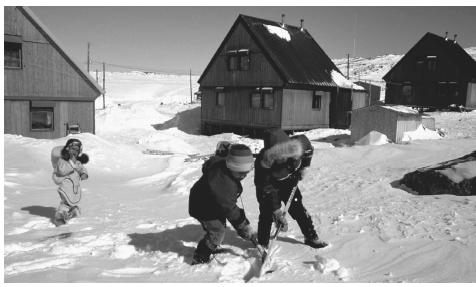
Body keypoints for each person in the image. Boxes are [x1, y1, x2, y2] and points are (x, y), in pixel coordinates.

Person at [254, 128, 328, 249]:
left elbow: (308, 150)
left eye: (284, 155)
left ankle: (311, 237)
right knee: (266, 213)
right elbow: (265, 188)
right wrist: (277, 211)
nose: (282, 159)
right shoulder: (263, 164)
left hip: (289, 181)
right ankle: (263, 243)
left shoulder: (299, 144)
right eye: (277, 158)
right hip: (269, 187)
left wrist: (304, 167)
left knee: (298, 208)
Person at [188, 143, 257, 265]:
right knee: (217, 232)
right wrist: (243, 226)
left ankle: (211, 242)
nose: (243, 176)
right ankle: (200, 256)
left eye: (246, 173)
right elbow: (229, 209)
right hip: (203, 207)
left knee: (219, 225)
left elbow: (227, 206)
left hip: (211, 202)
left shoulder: (224, 167)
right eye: (240, 173)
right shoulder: (224, 183)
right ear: (230, 166)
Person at [51, 138, 89, 226]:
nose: (74, 152)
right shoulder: (62, 161)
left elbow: (81, 168)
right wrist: (71, 167)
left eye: (77, 150)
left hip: (74, 186)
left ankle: (72, 211)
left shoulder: (77, 162)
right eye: (73, 149)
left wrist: (83, 173)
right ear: (68, 149)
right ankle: (59, 217)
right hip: (66, 185)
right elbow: (61, 170)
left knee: (72, 200)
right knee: (65, 202)